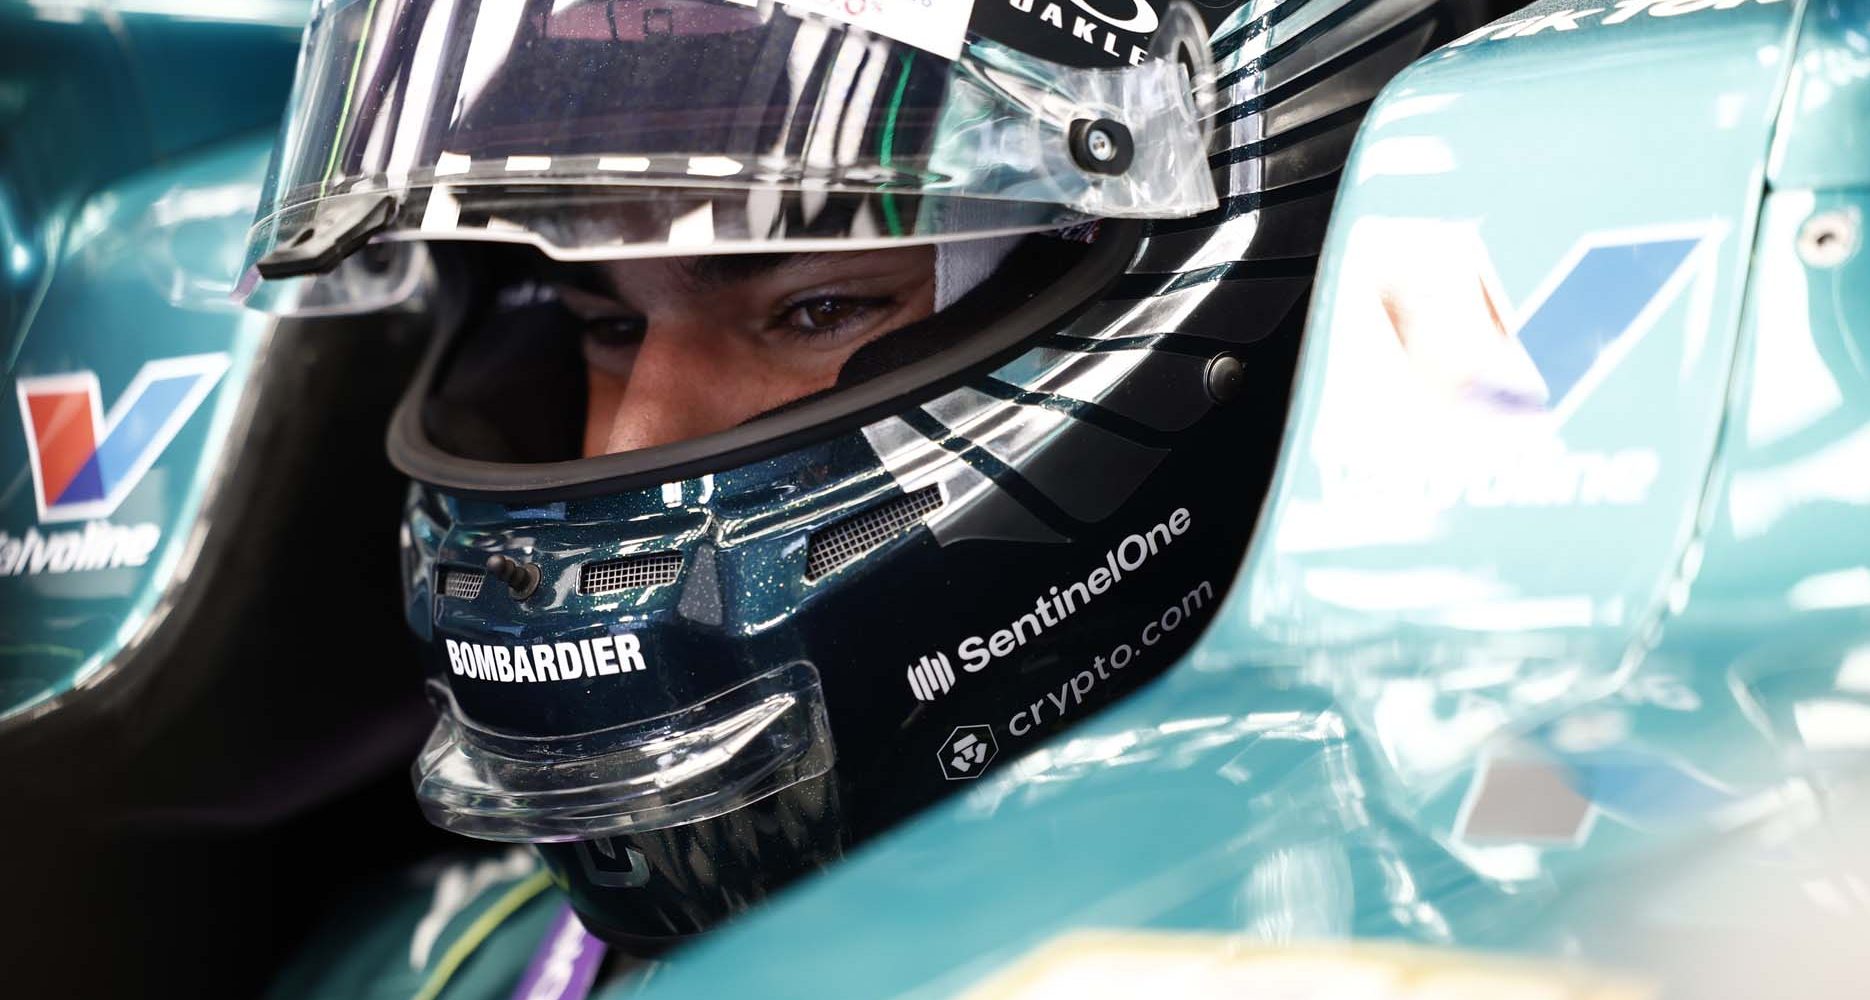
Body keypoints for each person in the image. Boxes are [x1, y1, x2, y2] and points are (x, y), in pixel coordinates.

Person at [240, 0, 1495, 974]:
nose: (633, 441)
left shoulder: (1495, 923)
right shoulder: (437, 971)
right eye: (604, 328)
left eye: (819, 305)